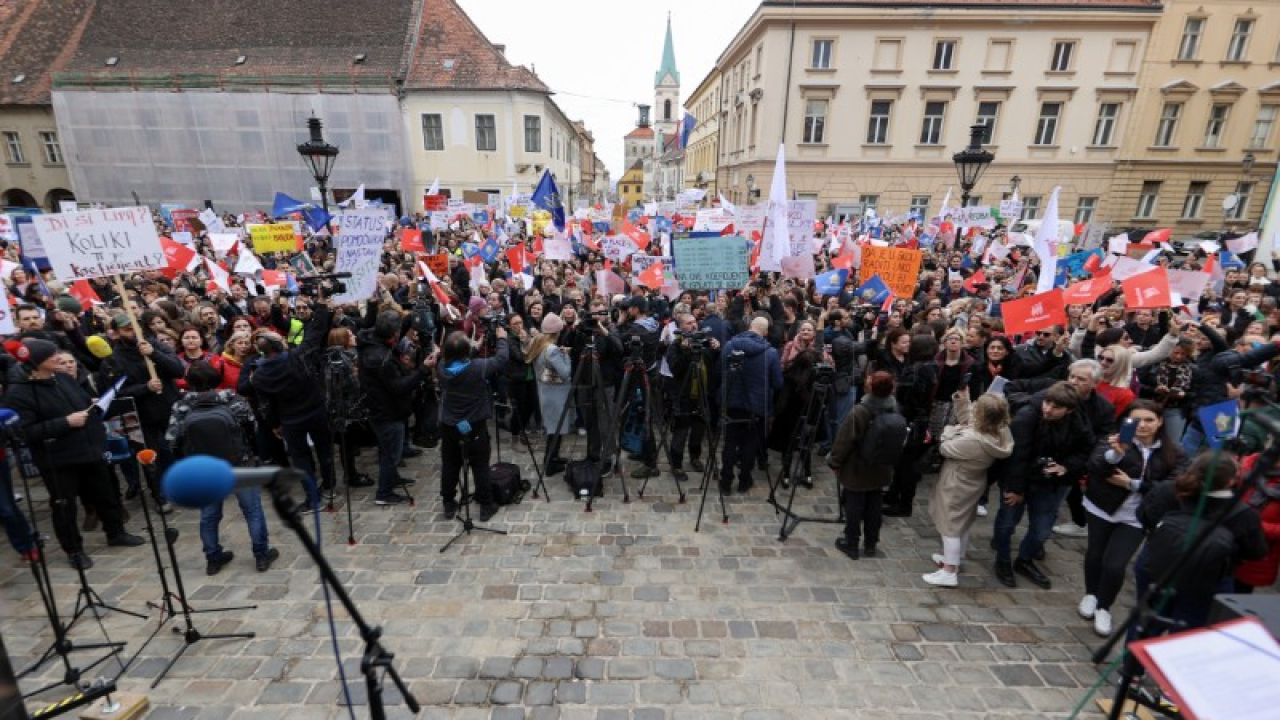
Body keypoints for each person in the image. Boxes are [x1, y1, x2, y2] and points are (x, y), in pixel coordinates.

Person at [2, 339, 144, 569]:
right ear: (38, 363)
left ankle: (116, 532)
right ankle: (74, 550)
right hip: (59, 459)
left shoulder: (63, 379)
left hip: (90, 450)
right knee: (64, 505)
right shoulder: (19, 393)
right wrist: (65, 422)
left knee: (105, 494)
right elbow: (24, 432)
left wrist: (92, 403)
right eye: (52, 356)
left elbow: (81, 402)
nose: (58, 358)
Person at [1079, 400, 1186, 636]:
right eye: (1136, 420)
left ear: (1159, 422)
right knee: (1096, 554)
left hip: (1137, 516)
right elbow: (1096, 467)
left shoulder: (1174, 452)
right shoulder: (1114, 440)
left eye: (1149, 420)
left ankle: (1104, 606)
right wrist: (1115, 455)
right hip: (1102, 507)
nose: (1143, 425)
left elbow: (1172, 488)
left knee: (1115, 565)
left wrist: (1133, 484)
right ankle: (1091, 594)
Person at [166, 361, 279, 574]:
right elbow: (252, 428)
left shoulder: (182, 405)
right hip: (239, 463)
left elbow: (172, 439)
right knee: (252, 511)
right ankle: (261, 555)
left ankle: (213, 558)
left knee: (209, 515)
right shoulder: (234, 400)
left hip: (204, 468)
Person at [1136, 454, 1268, 630]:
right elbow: (1255, 551)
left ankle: (1135, 657)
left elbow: (1144, 516)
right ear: (1230, 482)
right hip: (1206, 582)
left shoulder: (1167, 490)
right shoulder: (1243, 514)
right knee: (1187, 635)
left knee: (1144, 624)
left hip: (1156, 566)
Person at [990, 382, 1094, 589]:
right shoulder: (1027, 417)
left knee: (1041, 530)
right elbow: (1017, 457)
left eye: (1056, 407)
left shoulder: (1077, 420)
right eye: (1047, 403)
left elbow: (1086, 447)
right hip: (1018, 478)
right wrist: (1017, 490)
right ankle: (1002, 560)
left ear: (1069, 410)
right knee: (1007, 522)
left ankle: (1025, 560)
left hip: (1050, 483)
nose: (1048, 409)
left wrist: (1066, 466)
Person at [923, 391, 1014, 587]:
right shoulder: (999, 430)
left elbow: (945, 448)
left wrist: (948, 430)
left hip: (957, 483)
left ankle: (949, 572)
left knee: (950, 526)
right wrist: (963, 401)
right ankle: (955, 558)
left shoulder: (973, 440)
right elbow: (969, 420)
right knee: (961, 522)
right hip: (973, 481)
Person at [358, 311, 432, 505]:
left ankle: (391, 478)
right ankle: (384, 493)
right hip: (387, 412)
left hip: (381, 408)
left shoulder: (371, 342)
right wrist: (423, 369)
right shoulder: (382, 358)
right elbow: (399, 387)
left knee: (387, 451)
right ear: (394, 334)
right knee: (392, 453)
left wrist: (417, 308)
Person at [437, 328, 508, 521]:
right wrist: (502, 339)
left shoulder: (442, 367)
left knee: (450, 465)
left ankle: (449, 504)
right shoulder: (478, 368)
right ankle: (486, 505)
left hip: (450, 425)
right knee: (480, 466)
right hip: (474, 424)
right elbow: (501, 360)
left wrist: (473, 348)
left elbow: (458, 361)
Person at [828, 370, 899, 560]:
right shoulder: (893, 408)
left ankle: (851, 543)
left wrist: (834, 462)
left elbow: (844, 440)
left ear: (870, 387)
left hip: (857, 467)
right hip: (881, 467)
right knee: (874, 505)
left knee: (854, 506)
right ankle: (870, 544)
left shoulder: (860, 411)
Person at [719, 316, 782, 494]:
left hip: (732, 401)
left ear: (749, 327)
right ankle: (744, 479)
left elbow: (720, 371)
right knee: (750, 444)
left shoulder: (730, 346)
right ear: (766, 332)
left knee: (730, 442)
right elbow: (778, 383)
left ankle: (726, 480)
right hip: (757, 404)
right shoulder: (770, 353)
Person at [664, 313, 720, 479]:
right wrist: (686, 351)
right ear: (681, 327)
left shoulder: (704, 342)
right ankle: (676, 465)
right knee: (681, 431)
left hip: (702, 394)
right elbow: (676, 369)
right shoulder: (676, 346)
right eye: (689, 323)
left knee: (699, 430)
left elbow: (712, 362)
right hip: (683, 395)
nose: (694, 325)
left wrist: (716, 349)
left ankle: (695, 457)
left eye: (695, 322)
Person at [528, 313, 572, 475]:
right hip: (555, 394)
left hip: (546, 391)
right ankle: (550, 464)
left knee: (554, 429)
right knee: (555, 430)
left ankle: (553, 458)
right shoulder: (552, 349)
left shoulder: (538, 344)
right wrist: (566, 356)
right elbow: (566, 372)